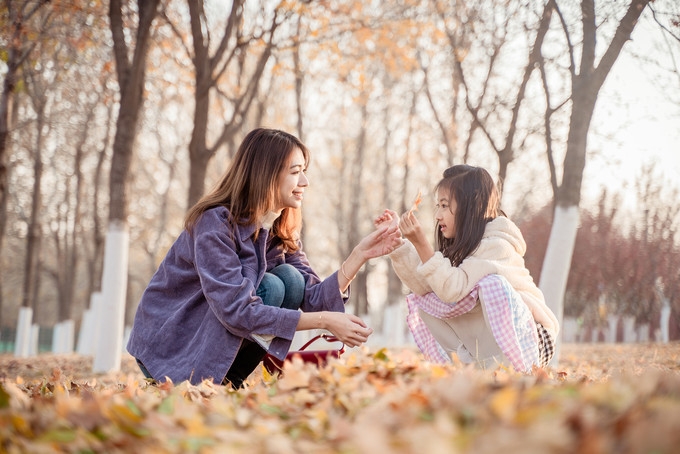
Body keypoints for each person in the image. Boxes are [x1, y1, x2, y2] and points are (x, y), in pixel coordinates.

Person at [127, 128, 401, 388]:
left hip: (211, 336)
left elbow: (313, 297)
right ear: (266, 175)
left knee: (291, 280)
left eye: (304, 171)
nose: (305, 182)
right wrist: (325, 321)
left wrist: (360, 255)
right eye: (296, 172)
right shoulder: (214, 223)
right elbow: (237, 310)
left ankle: (229, 380)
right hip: (174, 346)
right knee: (274, 286)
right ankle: (207, 380)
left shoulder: (278, 228)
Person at [376, 164, 559, 371]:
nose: (438, 215)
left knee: (492, 284)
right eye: (438, 206)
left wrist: (421, 244)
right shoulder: (461, 247)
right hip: (490, 340)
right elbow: (427, 285)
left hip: (533, 339)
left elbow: (453, 290)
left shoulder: (497, 245)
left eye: (444, 206)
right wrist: (398, 244)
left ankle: (516, 371)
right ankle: (465, 370)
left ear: (471, 207)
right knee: (424, 299)